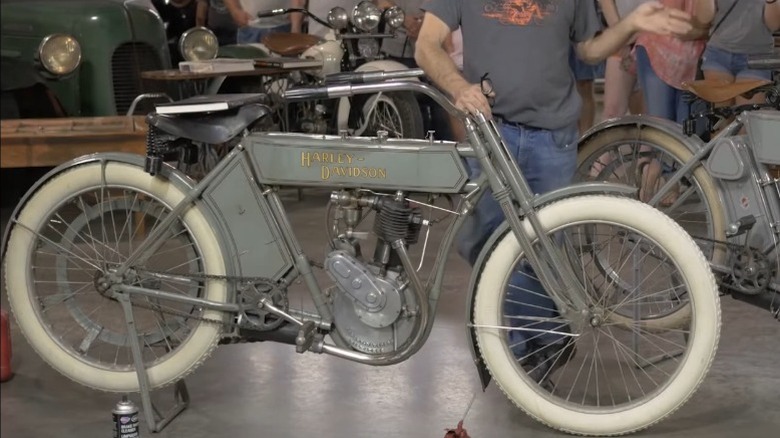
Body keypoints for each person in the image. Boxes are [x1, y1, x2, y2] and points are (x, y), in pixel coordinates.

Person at [414, 0, 695, 374]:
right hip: (491, 131)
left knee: (543, 251)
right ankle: (549, 334)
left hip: (553, 136)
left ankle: (525, 357)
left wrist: (632, 24)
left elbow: (587, 48)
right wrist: (460, 88)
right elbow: (426, 45)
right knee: (480, 241)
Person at [634, 0, 709, 124]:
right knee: (662, 128)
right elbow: (677, 23)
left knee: (689, 133)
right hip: (657, 49)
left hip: (698, 55)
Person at [695, 0, 776, 107]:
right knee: (723, 117)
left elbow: (773, 25)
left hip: (757, 57)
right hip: (719, 53)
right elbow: (704, 18)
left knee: (748, 117)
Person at [599, 0, 650, 119]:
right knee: (612, 112)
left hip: (658, 36)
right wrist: (620, 34)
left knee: (648, 116)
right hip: (622, 34)